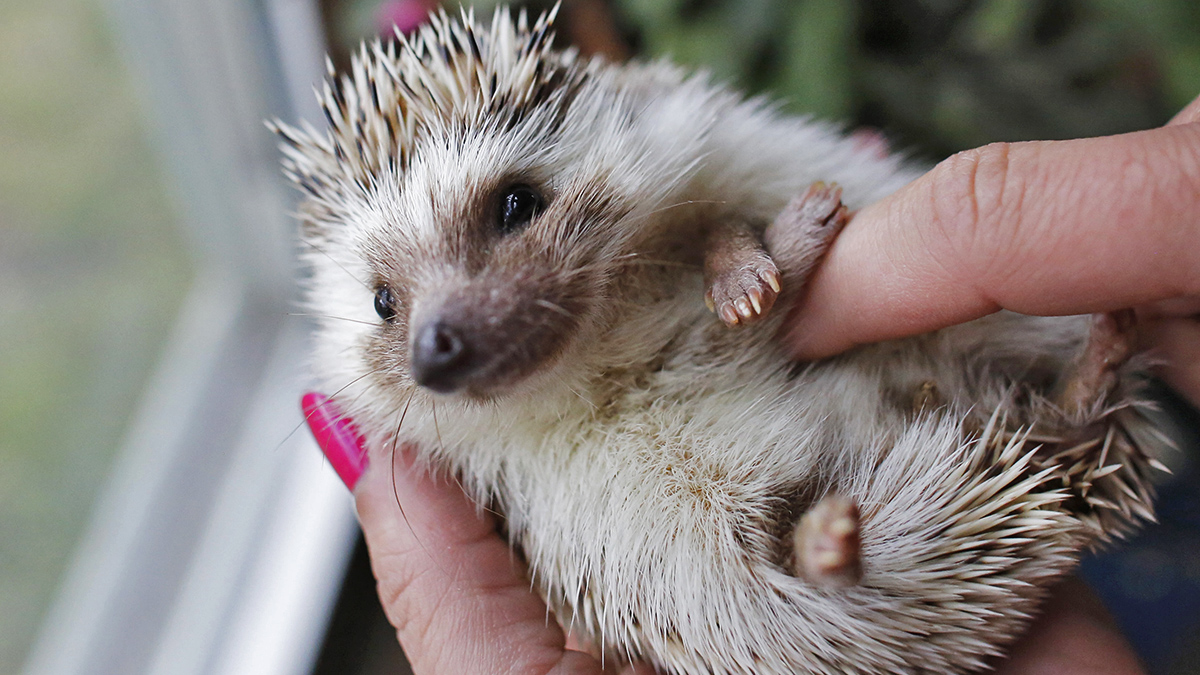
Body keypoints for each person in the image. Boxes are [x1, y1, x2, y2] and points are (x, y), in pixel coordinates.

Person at [312, 95, 1200, 674]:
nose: (439, 332)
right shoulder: (488, 443)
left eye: (512, 211)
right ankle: (817, 554)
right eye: (389, 303)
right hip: (795, 513)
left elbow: (719, 277)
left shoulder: (671, 192)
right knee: (734, 547)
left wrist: (742, 252)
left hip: (899, 382)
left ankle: (1058, 415)